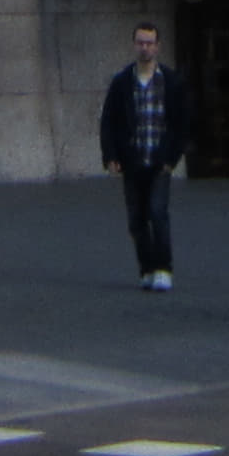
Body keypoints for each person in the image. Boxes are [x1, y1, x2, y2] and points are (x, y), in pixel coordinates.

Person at [97, 21, 185, 292]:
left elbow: (181, 123)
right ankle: (146, 268)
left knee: (158, 213)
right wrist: (110, 154)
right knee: (137, 219)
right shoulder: (122, 81)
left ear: (157, 46)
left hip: (159, 161)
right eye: (140, 42)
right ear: (134, 45)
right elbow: (109, 120)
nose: (145, 48)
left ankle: (164, 268)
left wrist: (172, 158)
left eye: (149, 43)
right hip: (133, 160)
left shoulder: (170, 81)